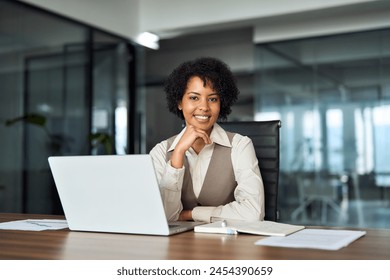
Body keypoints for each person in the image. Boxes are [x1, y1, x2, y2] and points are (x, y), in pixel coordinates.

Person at [149, 57, 264, 223]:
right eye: (194, 98)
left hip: (228, 244)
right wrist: (178, 154)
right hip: (176, 246)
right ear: (180, 102)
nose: (204, 107)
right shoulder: (160, 151)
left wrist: (191, 214)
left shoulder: (240, 145)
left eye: (212, 99)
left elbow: (253, 213)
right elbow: (161, 215)